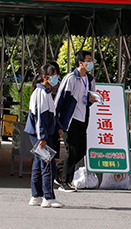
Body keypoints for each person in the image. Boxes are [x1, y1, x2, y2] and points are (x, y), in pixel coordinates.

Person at [55, 50, 97, 191]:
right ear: (80, 63)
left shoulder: (90, 79)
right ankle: (65, 182)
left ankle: (58, 169)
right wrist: (58, 121)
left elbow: (90, 96)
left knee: (81, 150)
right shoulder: (71, 78)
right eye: (88, 60)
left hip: (83, 118)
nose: (91, 63)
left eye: (91, 60)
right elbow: (61, 99)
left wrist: (92, 100)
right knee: (72, 150)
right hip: (70, 119)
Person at [26, 63, 63, 208]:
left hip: (43, 132)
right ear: (45, 77)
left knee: (38, 164)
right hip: (40, 134)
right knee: (47, 164)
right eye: (53, 75)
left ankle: (36, 196)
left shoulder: (46, 92)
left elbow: (52, 114)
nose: (56, 78)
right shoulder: (40, 93)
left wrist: (58, 127)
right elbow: (39, 118)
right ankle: (48, 197)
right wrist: (42, 137)